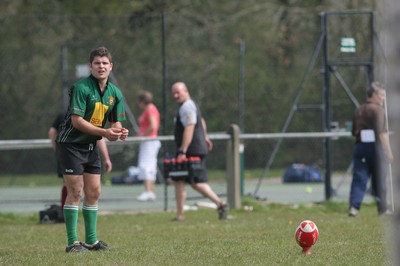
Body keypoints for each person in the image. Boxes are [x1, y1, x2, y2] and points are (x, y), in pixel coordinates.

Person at [56, 47, 129, 253]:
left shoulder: (115, 93)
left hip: (91, 145)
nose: (101, 66)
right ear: (90, 66)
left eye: (105, 63)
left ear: (111, 67)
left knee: (94, 191)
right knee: (76, 191)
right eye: (97, 63)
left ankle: (91, 241)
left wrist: (120, 132)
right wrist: (105, 133)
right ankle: (73, 243)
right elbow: (77, 122)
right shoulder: (81, 88)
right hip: (70, 144)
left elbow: (115, 124)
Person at [171, 81, 228, 221]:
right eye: (174, 93)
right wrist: (205, 136)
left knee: (196, 182)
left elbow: (190, 127)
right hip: (193, 147)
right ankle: (180, 215)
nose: (176, 95)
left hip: (191, 149)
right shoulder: (190, 105)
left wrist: (183, 150)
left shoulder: (187, 106)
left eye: (178, 92)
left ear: (186, 91)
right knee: (180, 180)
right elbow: (201, 121)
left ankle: (220, 204)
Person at [49, 112, 113, 214]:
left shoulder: (92, 115)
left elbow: (99, 137)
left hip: (88, 154)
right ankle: (65, 213)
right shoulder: (65, 116)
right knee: (73, 187)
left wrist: (107, 158)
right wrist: (58, 149)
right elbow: (52, 131)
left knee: (90, 190)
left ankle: (72, 214)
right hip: (69, 153)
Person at [349, 81, 393, 217]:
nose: (383, 99)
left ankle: (354, 208)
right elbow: (381, 132)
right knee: (379, 178)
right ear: (374, 95)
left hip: (360, 146)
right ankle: (383, 208)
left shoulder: (359, 110)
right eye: (381, 95)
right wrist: (389, 151)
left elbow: (353, 131)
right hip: (375, 147)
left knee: (359, 177)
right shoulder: (377, 110)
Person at [136, 90, 161, 201]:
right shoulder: (149, 109)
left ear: (142, 101)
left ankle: (148, 191)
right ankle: (149, 191)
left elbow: (153, 126)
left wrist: (142, 135)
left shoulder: (150, 109)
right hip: (148, 141)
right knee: (149, 165)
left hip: (149, 141)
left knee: (146, 165)